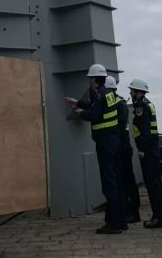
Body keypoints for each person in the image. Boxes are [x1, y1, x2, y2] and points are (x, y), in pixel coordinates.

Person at [66, 64, 126, 234]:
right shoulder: (108, 94)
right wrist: (78, 102)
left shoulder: (99, 94)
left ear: (93, 79)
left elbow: (94, 114)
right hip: (114, 141)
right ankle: (121, 220)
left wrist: (80, 113)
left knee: (108, 183)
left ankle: (113, 224)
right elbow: (95, 106)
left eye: (89, 78)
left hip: (105, 143)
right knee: (117, 181)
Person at [129, 78, 162, 229]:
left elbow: (144, 130)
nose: (130, 92)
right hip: (153, 148)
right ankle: (158, 216)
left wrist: (142, 149)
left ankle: (159, 218)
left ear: (136, 91)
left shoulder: (141, 106)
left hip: (148, 150)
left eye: (131, 90)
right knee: (154, 184)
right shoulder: (148, 103)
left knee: (152, 185)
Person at [105, 76, 141, 224]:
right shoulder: (115, 103)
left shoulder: (119, 104)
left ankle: (134, 212)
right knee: (121, 180)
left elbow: (119, 127)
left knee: (127, 180)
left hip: (123, 147)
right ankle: (126, 210)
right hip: (119, 146)